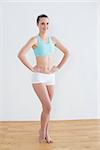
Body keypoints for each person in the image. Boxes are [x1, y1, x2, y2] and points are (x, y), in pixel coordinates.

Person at [17, 14, 70, 144]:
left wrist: (58, 67)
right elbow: (21, 54)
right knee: (48, 106)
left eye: (47, 23)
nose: (45, 26)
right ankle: (42, 131)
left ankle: (46, 132)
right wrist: (32, 68)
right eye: (42, 23)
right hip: (39, 78)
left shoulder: (53, 39)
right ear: (37, 25)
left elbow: (67, 53)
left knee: (47, 108)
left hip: (51, 77)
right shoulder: (34, 40)